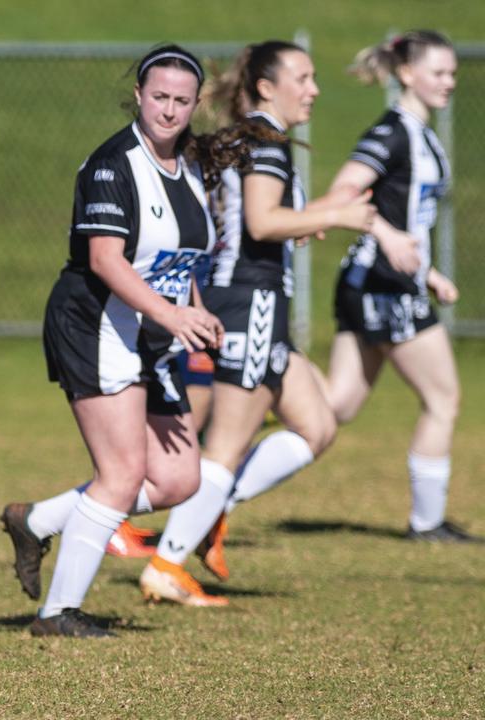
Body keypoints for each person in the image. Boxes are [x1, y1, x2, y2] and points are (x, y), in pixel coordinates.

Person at [0, 45, 225, 637]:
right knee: (122, 473)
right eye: (159, 97)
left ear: (196, 103)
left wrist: (197, 316)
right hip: (95, 323)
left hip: (152, 333)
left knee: (179, 479)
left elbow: (181, 263)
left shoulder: (193, 167)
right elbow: (105, 260)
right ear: (139, 96)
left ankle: (37, 519)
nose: (169, 110)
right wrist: (171, 317)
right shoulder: (112, 164)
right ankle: (57, 614)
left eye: (182, 100)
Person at [143, 40, 377, 605]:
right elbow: (262, 220)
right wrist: (337, 213)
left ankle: (205, 514)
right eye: (304, 76)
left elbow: (253, 222)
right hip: (251, 304)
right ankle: (163, 561)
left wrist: (306, 220)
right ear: (268, 87)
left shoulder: (248, 137)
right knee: (223, 448)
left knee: (316, 425)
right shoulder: (265, 141)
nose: (315, 88)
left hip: (250, 300)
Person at [323, 31, 478, 542]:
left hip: (387, 282)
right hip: (384, 287)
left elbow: (407, 213)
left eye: (453, 73)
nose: (449, 82)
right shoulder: (393, 132)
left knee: (334, 407)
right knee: (443, 399)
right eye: (439, 73)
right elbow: (343, 193)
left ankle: (229, 446)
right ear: (407, 74)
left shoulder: (422, 132)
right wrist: (388, 238)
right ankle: (427, 524)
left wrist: (427, 270)